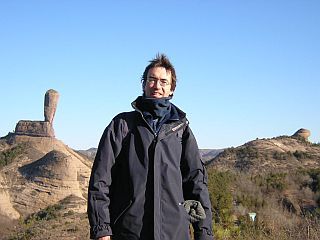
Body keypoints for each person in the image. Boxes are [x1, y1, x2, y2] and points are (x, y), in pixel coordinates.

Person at [87, 54, 214, 240]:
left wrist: (203, 232)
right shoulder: (122, 125)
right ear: (144, 84)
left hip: (174, 233)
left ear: (171, 89)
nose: (157, 85)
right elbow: (100, 179)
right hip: (129, 232)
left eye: (164, 81)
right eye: (152, 80)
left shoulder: (181, 129)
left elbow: (196, 183)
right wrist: (102, 230)